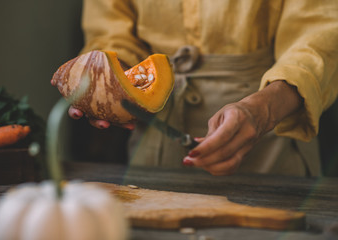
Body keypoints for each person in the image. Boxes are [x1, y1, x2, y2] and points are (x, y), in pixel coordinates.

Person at [69, 0, 338, 177]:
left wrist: (262, 110)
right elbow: (111, 32)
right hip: (154, 148)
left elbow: (320, 36)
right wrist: (111, 82)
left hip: (270, 140)